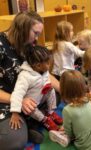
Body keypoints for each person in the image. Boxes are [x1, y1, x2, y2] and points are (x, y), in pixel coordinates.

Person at [0, 11, 59, 149]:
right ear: (22, 29)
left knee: (55, 93)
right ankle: (27, 125)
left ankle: (30, 122)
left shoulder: (28, 45)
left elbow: (42, 72)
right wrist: (18, 100)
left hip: (28, 94)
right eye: (35, 33)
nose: (37, 39)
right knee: (13, 141)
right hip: (7, 100)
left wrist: (66, 89)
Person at [10, 45, 62, 131]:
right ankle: (44, 120)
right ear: (38, 66)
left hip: (41, 97)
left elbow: (47, 81)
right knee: (31, 108)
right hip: (31, 104)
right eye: (48, 63)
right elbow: (17, 94)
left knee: (51, 89)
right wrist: (15, 112)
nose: (50, 65)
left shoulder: (43, 70)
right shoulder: (24, 76)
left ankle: (50, 112)